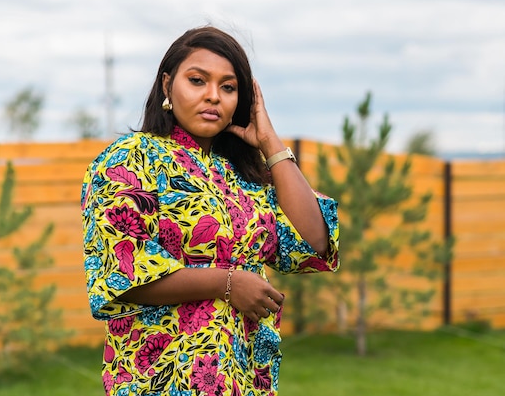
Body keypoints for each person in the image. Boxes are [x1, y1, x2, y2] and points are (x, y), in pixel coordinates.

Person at [81, 25, 339, 396]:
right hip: (163, 378)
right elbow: (122, 273)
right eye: (198, 81)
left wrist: (269, 142)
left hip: (244, 378)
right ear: (168, 85)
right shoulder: (129, 160)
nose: (213, 96)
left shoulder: (245, 178)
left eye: (228, 87)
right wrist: (227, 282)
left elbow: (314, 241)